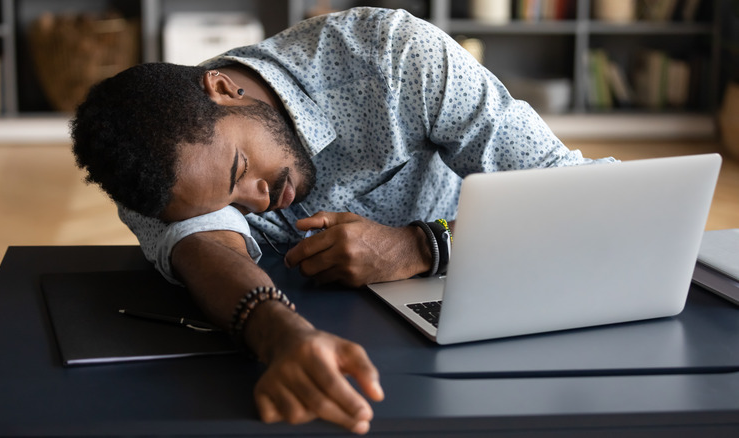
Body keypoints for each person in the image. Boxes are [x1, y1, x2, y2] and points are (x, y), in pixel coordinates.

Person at [70, 7, 613, 435]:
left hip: (486, 290)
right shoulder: (156, 178)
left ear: (224, 89)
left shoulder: (394, 55)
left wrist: (426, 247)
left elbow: (576, 192)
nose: (256, 201)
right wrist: (283, 337)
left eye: (241, 170)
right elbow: (207, 251)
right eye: (230, 203)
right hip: (340, 336)